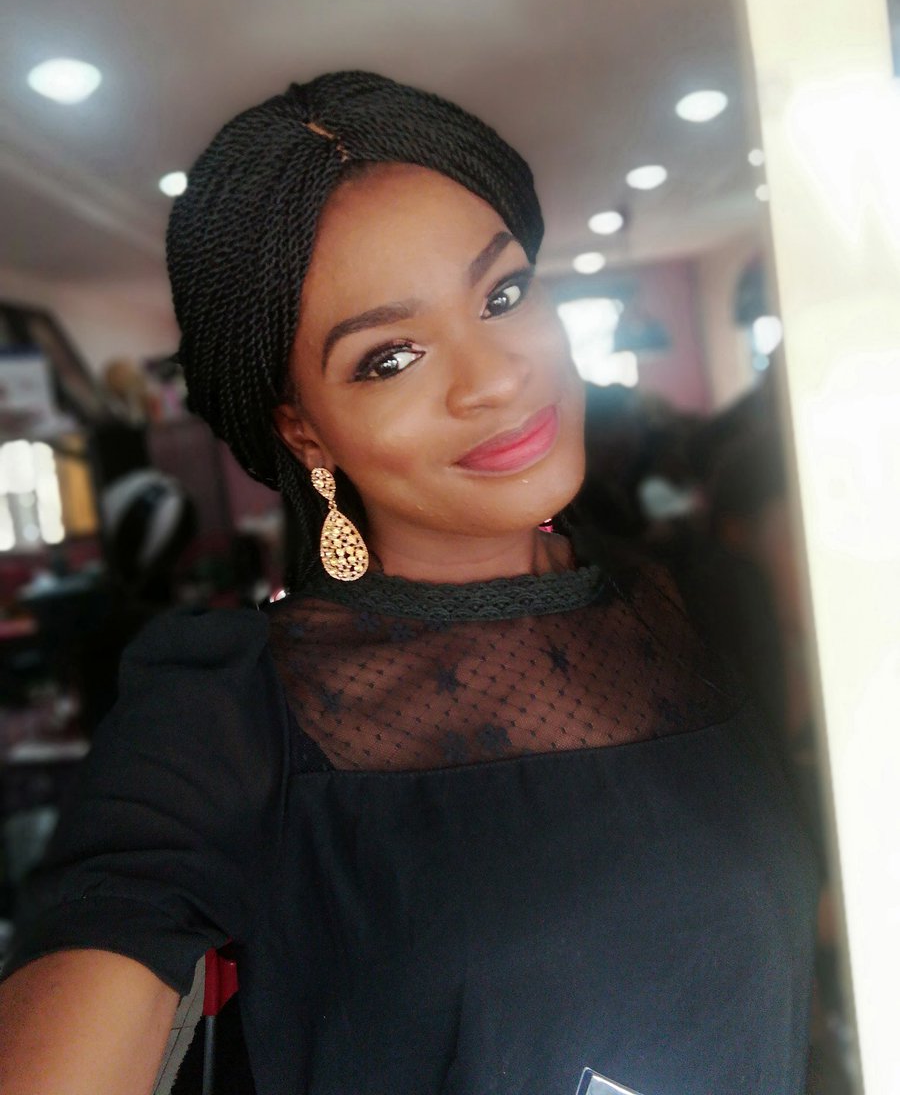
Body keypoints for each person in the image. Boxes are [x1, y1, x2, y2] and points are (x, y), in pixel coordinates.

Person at [0, 72, 819, 1095]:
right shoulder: (230, 716)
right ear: (302, 430)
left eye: (503, 294)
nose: (495, 377)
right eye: (390, 357)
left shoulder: (705, 607)